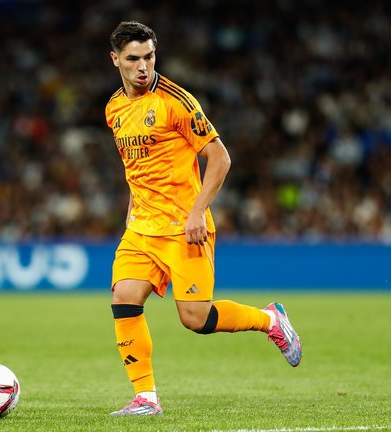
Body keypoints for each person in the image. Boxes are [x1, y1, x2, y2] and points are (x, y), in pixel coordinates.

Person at [105, 21, 302, 416]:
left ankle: (269, 320)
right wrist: (131, 214)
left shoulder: (177, 101)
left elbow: (220, 158)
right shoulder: (114, 108)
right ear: (115, 60)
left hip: (184, 227)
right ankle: (146, 398)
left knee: (194, 318)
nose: (143, 66)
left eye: (149, 57)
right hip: (142, 229)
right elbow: (136, 168)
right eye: (133, 59)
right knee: (124, 298)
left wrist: (197, 211)